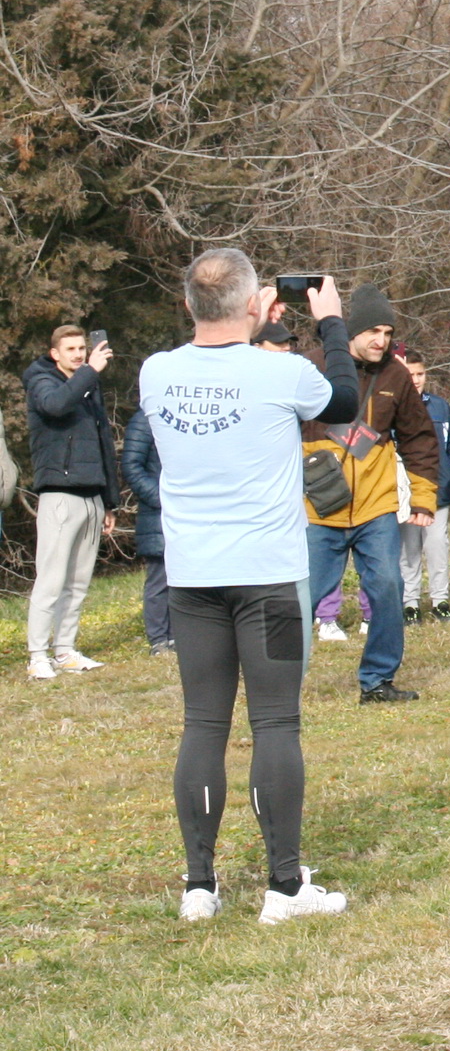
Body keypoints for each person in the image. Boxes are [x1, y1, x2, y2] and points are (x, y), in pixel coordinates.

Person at [140, 252, 360, 924]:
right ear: (254, 307)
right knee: (275, 722)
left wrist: (246, 314)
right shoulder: (282, 371)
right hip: (267, 573)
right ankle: (284, 886)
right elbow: (345, 401)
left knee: (203, 723)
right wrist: (331, 323)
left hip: (194, 577)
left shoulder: (156, 373)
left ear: (187, 306)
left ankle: (199, 885)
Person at [301, 286, 437, 702]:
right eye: (373, 330)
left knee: (388, 588)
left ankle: (378, 680)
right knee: (299, 599)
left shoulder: (396, 375)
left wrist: (423, 498)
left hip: (376, 509)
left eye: (387, 331)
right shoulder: (309, 368)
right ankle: (278, 682)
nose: (381, 339)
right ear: (350, 331)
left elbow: (419, 438)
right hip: (318, 510)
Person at [23, 323, 118, 679]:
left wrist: (110, 500)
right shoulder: (42, 381)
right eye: (72, 350)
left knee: (78, 582)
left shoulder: (88, 387)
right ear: (55, 354)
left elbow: (103, 443)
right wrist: (91, 370)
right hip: (60, 495)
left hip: (91, 494)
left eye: (83, 348)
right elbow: (55, 406)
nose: (80, 354)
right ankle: (37, 656)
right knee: (50, 579)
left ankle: (65, 650)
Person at [398, 352, 450, 623]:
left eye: (420, 374)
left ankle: (440, 600)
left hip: (438, 491)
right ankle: (410, 603)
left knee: (437, 546)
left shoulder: (440, 407)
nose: (415, 380)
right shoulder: (394, 407)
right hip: (405, 493)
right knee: (408, 550)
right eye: (409, 374)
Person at [120, 394, 174, 654]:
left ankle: (178, 635)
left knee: (185, 578)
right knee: (159, 579)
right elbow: (132, 467)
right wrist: (162, 499)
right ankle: (158, 639)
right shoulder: (144, 420)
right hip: (158, 513)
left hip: (185, 510)